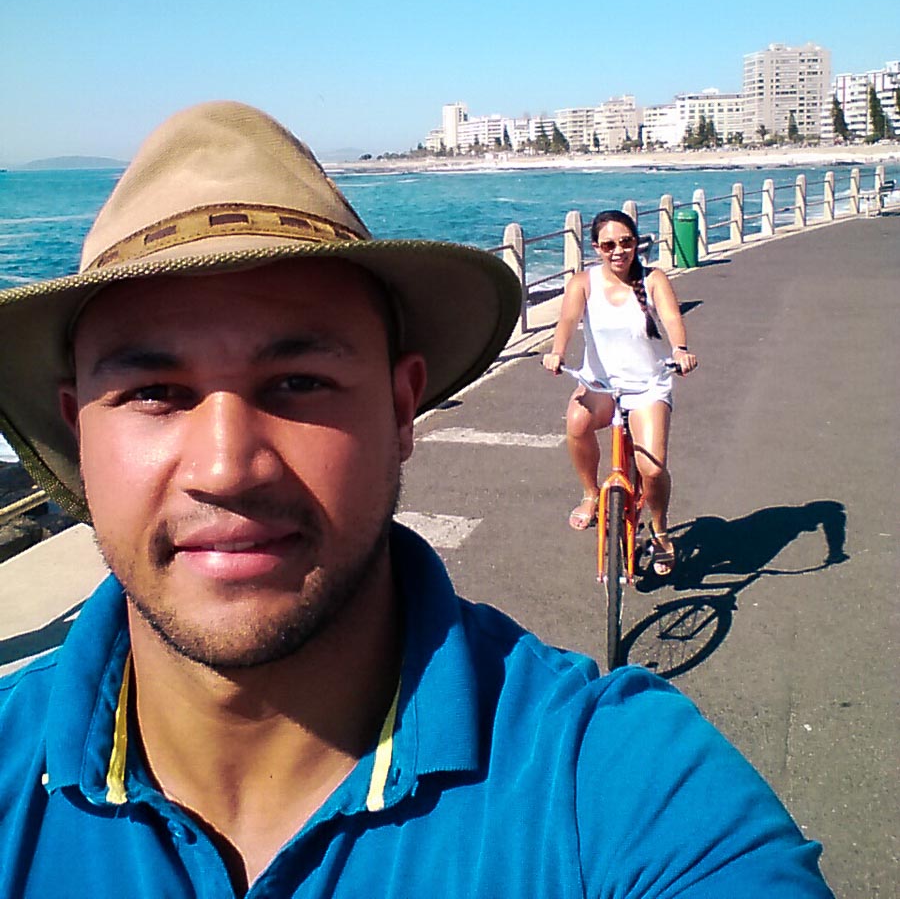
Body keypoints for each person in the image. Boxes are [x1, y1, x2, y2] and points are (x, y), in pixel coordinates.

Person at [0, 102, 832, 897]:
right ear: (79, 433)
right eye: (154, 391)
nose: (227, 468)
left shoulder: (607, 782)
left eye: (299, 382)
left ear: (403, 410)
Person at [543, 209, 698, 574]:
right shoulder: (584, 282)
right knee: (577, 423)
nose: (619, 251)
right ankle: (591, 494)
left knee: (652, 468)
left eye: (626, 242)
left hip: (647, 384)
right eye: (609, 244)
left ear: (636, 243)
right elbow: (566, 319)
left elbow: (672, 318)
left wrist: (679, 349)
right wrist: (557, 352)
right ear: (596, 247)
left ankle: (660, 531)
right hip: (601, 383)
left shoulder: (653, 278)